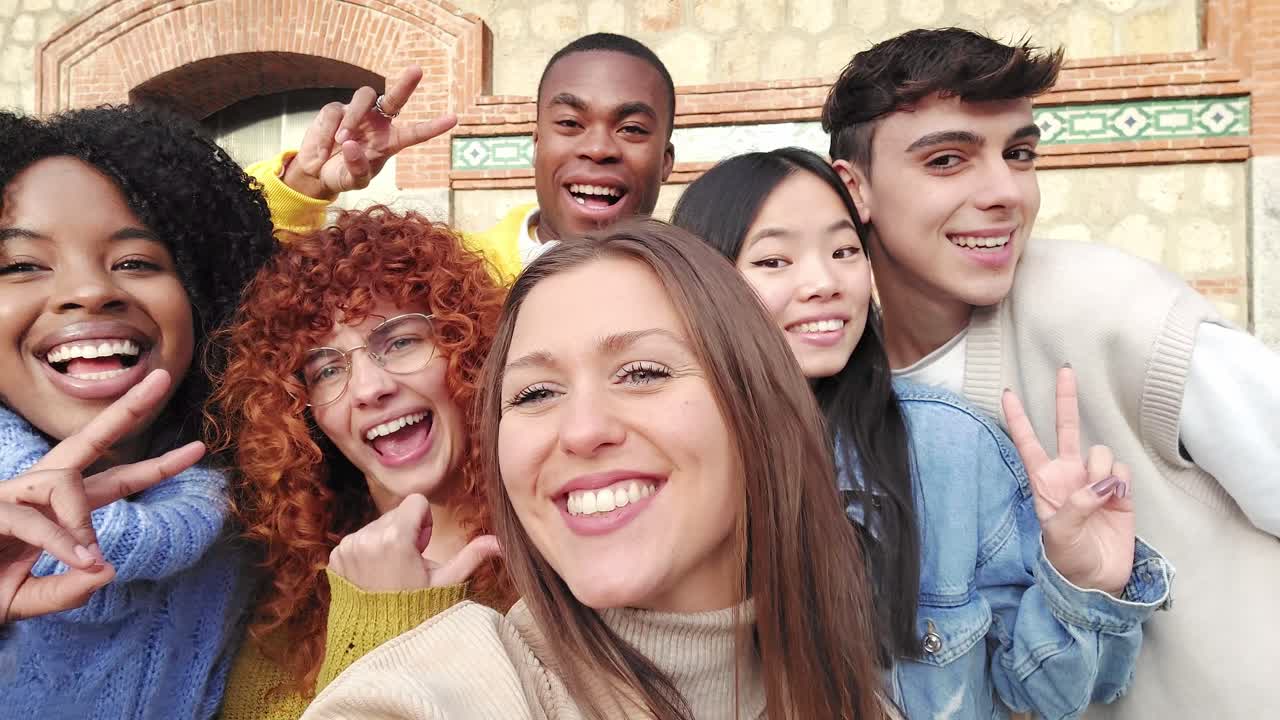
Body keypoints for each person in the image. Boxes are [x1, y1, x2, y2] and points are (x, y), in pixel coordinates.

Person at [821, 28, 1280, 718]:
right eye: (948, 160)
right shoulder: (850, 390)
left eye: (1020, 154)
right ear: (854, 186)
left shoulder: (1112, 310)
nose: (1006, 191)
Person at [299, 219, 890, 720]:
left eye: (641, 373)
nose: (580, 430)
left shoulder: (854, 697)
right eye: (534, 393)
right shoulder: (445, 687)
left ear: (756, 405)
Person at [672, 148, 1172, 719]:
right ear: (703, 283)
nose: (824, 282)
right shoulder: (659, 461)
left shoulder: (948, 449)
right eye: (773, 261)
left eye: (844, 251)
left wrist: (1079, 582)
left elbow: (1049, 695)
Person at [0, 105, 275, 718]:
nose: (90, 290)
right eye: (21, 266)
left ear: (206, 295)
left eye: (136, 262)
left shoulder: (277, 510)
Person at [211, 208, 513, 719]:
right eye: (327, 369)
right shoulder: (290, 608)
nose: (370, 389)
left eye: (398, 342)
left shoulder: (561, 561)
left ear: (469, 346)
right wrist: (376, 621)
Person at [253, 34, 676, 281]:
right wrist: (304, 185)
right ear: (535, 145)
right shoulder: (447, 275)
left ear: (666, 161)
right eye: (569, 123)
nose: (599, 149)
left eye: (632, 129)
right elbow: (272, 295)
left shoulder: (705, 287)